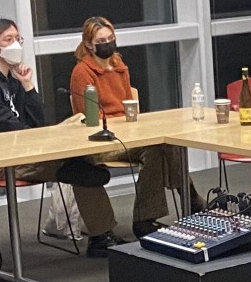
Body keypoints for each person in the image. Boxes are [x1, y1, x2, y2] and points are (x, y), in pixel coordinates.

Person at [0, 19, 123, 257]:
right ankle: (101, 236)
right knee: (81, 168)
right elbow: (2, 127)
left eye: (18, 39)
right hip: (0, 160)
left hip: (25, 151)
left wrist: (27, 86)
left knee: (83, 164)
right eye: (8, 40)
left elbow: (38, 121)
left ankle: (101, 236)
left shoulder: (12, 79)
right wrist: (39, 139)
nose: (16, 44)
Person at [69, 17, 198, 239]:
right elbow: (89, 116)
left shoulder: (119, 65)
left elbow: (130, 106)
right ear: (89, 44)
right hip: (102, 138)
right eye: (101, 40)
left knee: (167, 143)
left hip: (129, 134)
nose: (108, 43)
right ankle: (161, 211)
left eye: (111, 38)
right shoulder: (82, 72)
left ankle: (184, 201)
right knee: (155, 150)